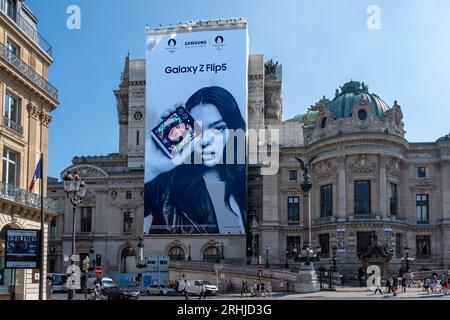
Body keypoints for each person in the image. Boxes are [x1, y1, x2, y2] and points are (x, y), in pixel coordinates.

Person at [145, 86, 247, 235]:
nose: (205, 140)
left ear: (233, 131)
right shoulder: (165, 185)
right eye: (197, 130)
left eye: (218, 128)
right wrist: (151, 166)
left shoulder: (244, 183)